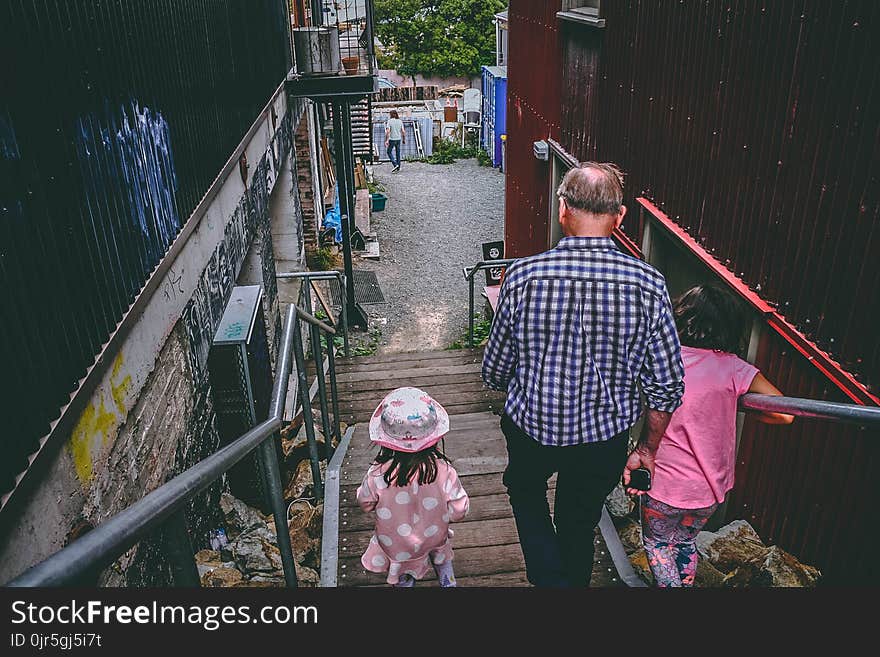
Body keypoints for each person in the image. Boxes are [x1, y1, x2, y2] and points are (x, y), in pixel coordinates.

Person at [482, 162, 685, 587]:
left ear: (563, 210)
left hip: (531, 427)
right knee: (578, 519)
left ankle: (547, 578)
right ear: (619, 216)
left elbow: (496, 370)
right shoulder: (649, 284)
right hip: (602, 440)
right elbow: (665, 386)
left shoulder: (521, 277)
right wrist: (646, 450)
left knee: (525, 490)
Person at [630, 284, 794, 587]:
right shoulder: (735, 369)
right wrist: (731, 402)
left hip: (665, 485)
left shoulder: (665, 359)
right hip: (708, 492)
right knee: (684, 542)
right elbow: (784, 413)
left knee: (658, 544)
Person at [356, 386, 470, 587]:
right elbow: (459, 509)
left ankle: (407, 582)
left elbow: (365, 503)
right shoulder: (444, 470)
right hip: (435, 535)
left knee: (403, 574)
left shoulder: (378, 473)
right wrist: (441, 516)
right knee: (441, 556)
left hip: (396, 543)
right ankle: (448, 582)